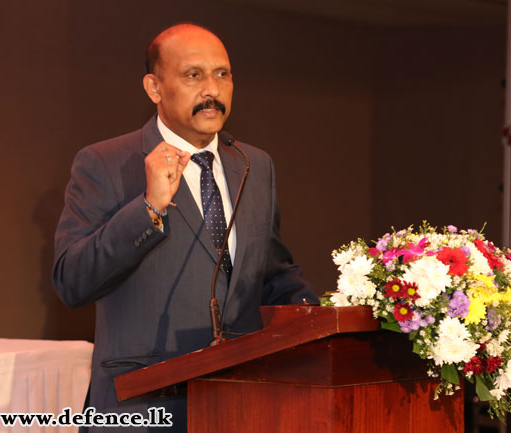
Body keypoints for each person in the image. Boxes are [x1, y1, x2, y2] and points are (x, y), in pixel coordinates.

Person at [52, 23, 317, 431]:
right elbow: (73, 281)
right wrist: (148, 208)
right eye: (193, 75)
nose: (212, 89)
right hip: (141, 406)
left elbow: (272, 273)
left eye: (222, 74)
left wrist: (325, 321)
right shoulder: (105, 162)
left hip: (241, 402)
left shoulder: (254, 164)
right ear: (154, 88)